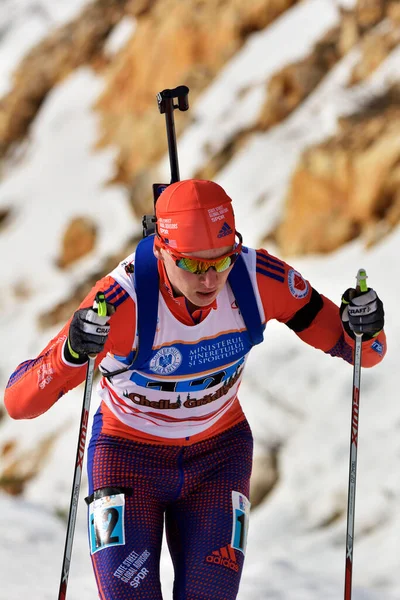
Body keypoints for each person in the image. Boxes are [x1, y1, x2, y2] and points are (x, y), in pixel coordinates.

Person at [4, 179, 386, 600]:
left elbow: (365, 353)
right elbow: (19, 402)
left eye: (221, 261)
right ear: (162, 248)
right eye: (192, 265)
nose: (210, 280)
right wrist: (72, 352)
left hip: (218, 458)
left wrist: (364, 327)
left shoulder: (258, 279)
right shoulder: (121, 302)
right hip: (128, 459)